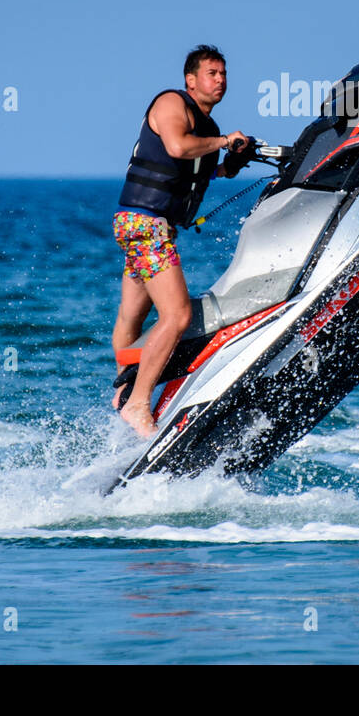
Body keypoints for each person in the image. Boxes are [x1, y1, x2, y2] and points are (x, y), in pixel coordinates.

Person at [110, 45, 250, 437]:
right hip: (145, 224)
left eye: (223, 74)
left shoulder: (206, 127)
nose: (220, 80)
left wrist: (232, 161)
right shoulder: (173, 104)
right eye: (212, 73)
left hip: (148, 228)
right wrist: (224, 141)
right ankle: (138, 404)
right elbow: (176, 147)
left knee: (132, 316)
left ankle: (124, 388)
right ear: (191, 80)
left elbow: (199, 168)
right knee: (178, 316)